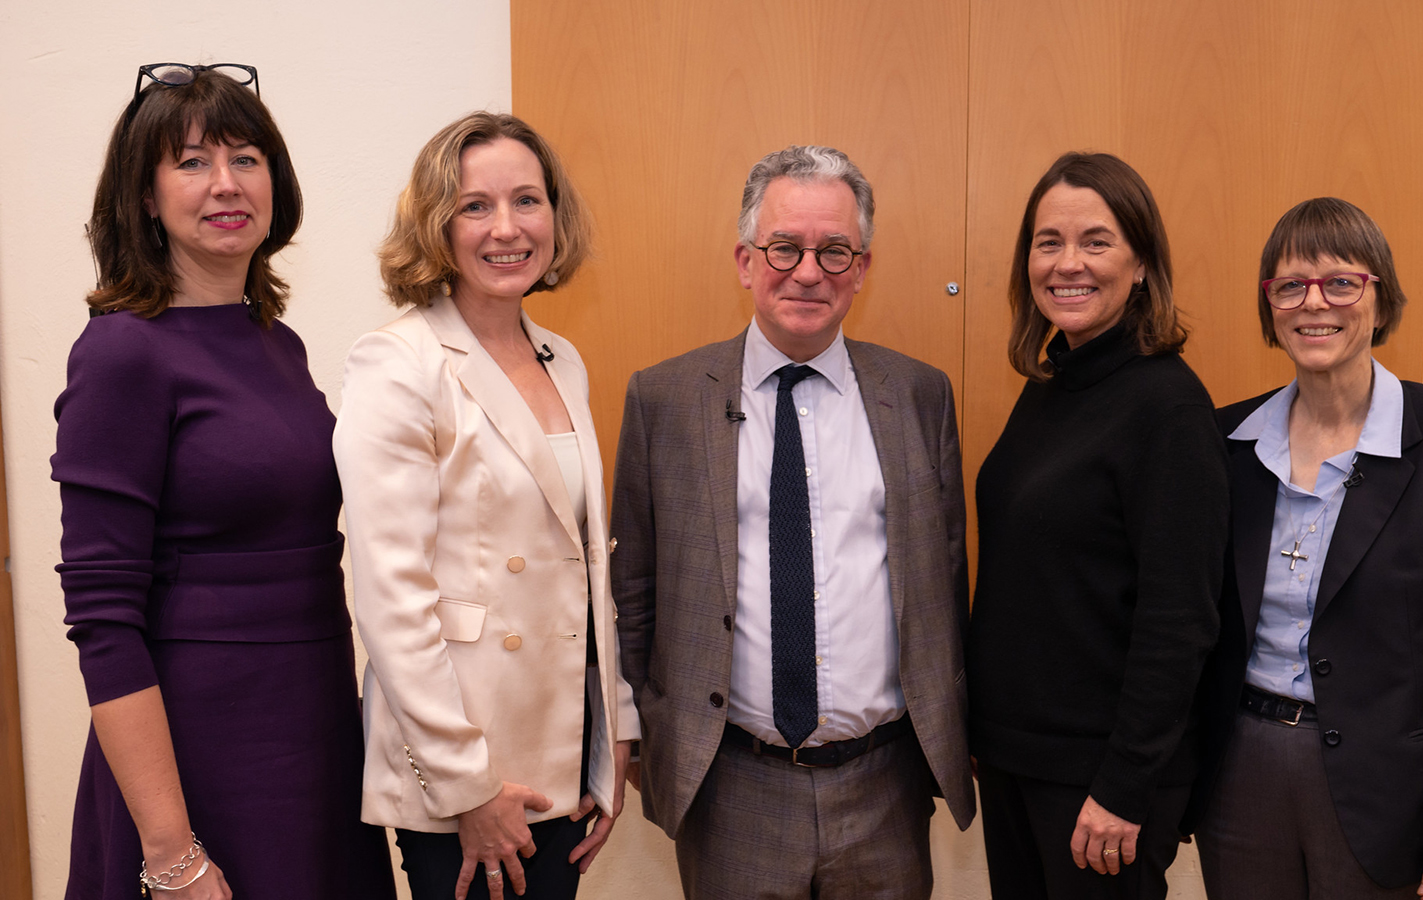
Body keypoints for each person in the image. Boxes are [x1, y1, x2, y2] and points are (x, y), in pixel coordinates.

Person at [53, 63, 396, 898]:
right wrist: (171, 851)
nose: (225, 184)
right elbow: (103, 621)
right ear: (144, 193)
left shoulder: (277, 341)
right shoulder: (122, 352)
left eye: (247, 158)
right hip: (195, 757)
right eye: (193, 161)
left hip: (312, 734)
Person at [609, 144, 974, 899]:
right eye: (784, 247)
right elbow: (634, 588)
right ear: (746, 260)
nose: (809, 272)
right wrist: (647, 732)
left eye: (834, 250)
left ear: (862, 268)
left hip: (884, 786)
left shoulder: (919, 395)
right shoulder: (663, 400)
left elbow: (944, 576)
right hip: (732, 786)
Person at [333, 111, 639, 900]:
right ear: (438, 225)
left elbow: (582, 571)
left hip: (561, 748)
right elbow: (392, 600)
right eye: (475, 206)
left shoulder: (562, 358)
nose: (506, 228)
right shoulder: (399, 363)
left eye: (527, 201)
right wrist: (468, 787)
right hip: (465, 774)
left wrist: (614, 736)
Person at [1186, 197, 1423, 900]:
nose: (1315, 303)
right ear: (1269, 305)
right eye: (1290, 285)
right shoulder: (1224, 442)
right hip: (1242, 772)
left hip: (1390, 792)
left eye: (1341, 282)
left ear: (1380, 297)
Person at [966, 152, 1229, 900]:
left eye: (1096, 240)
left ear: (1142, 262)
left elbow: (1180, 621)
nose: (1068, 263)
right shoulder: (1054, 383)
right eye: (1048, 242)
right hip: (1022, 761)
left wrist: (1124, 785)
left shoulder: (1167, 408)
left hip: (1100, 782)